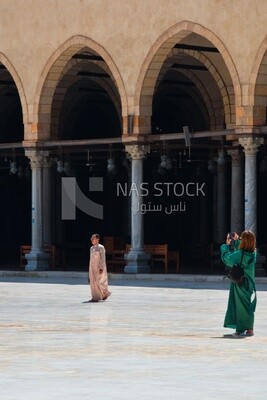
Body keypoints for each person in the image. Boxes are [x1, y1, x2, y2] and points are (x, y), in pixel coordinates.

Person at [221, 230, 257, 337]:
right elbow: (243, 253)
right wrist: (237, 242)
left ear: (244, 241)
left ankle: (241, 329)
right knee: (247, 306)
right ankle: (249, 329)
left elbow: (227, 259)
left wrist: (225, 246)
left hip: (240, 283)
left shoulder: (240, 254)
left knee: (240, 306)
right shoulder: (253, 253)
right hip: (249, 284)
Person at [88, 233, 111, 302]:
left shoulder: (101, 247)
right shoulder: (91, 248)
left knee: (100, 282)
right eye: (91, 238)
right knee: (93, 282)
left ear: (97, 239)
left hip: (98, 267)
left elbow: (103, 258)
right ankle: (95, 297)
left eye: (93, 238)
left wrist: (101, 268)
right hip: (92, 267)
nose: (92, 239)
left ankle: (104, 293)